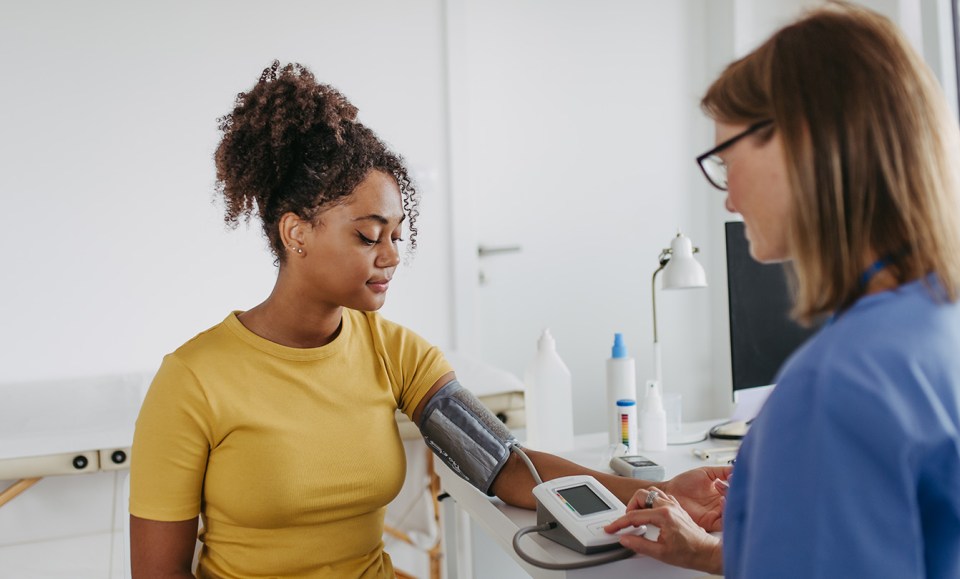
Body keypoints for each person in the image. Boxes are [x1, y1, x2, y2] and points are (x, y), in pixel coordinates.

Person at [128, 60, 730, 578]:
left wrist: (660, 492)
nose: (390, 256)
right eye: (368, 236)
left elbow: (502, 466)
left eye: (396, 235)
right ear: (296, 232)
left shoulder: (394, 352)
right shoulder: (193, 380)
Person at [605, 3, 960, 577]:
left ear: (803, 142)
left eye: (726, 161)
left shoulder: (833, 390)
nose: (728, 198)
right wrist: (718, 553)